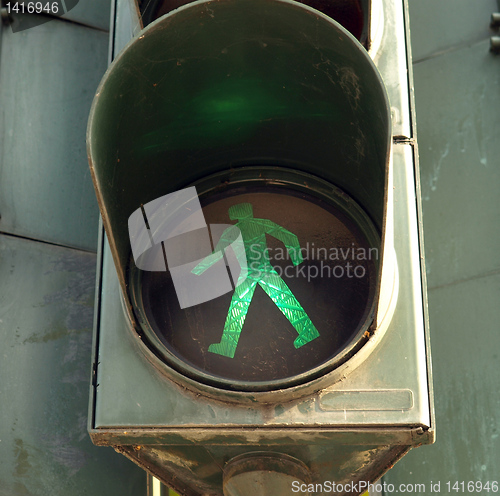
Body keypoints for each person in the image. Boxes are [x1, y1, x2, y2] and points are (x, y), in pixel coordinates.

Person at [193, 202, 319, 358]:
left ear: (236, 213)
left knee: (238, 306)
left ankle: (227, 346)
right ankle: (307, 331)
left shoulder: (232, 231)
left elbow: (217, 254)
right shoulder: (261, 223)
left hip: (248, 273)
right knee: (284, 299)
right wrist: (297, 259)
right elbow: (289, 236)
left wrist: (196, 270)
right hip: (264, 269)